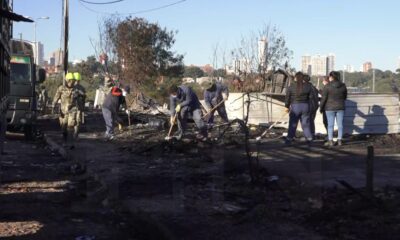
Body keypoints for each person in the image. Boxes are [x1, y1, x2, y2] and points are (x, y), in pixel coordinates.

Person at [284, 72, 313, 144]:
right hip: (305, 106)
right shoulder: (308, 86)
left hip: (295, 106)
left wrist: (287, 106)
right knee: (305, 123)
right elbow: (311, 97)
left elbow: (287, 97)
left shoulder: (291, 87)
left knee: (293, 123)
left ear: (296, 78)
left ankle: (289, 139)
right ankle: (309, 138)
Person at [320, 71, 347, 147]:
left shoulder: (327, 86)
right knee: (340, 125)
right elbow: (345, 97)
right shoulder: (343, 85)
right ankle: (339, 140)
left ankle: (330, 141)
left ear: (331, 77)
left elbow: (324, 98)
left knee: (330, 125)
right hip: (340, 107)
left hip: (329, 108)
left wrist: (321, 108)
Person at [52, 72, 80, 148]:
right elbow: (56, 97)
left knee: (70, 127)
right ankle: (64, 141)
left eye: (73, 81)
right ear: (67, 80)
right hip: (63, 111)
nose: (72, 82)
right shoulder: (61, 88)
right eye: (70, 81)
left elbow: (79, 100)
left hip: (72, 110)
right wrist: (53, 106)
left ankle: (71, 143)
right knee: (64, 127)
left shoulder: (76, 89)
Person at [303, 74, 319, 139]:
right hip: (314, 106)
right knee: (312, 121)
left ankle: (307, 136)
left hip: (307, 106)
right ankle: (312, 134)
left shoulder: (304, 87)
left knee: (306, 121)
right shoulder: (313, 87)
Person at [73, 72, 86, 139]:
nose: (77, 82)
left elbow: (84, 98)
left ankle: (75, 134)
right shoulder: (71, 88)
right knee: (75, 121)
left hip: (78, 107)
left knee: (77, 121)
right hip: (74, 107)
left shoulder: (81, 88)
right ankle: (74, 134)